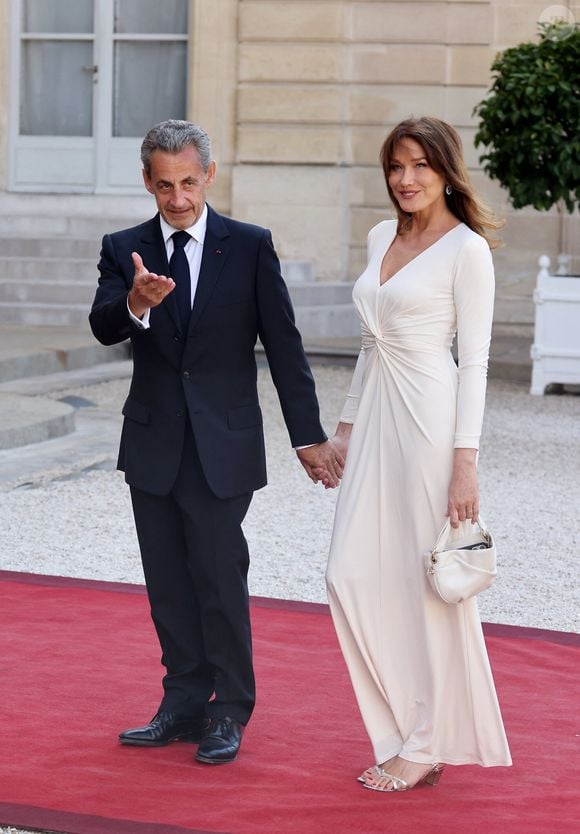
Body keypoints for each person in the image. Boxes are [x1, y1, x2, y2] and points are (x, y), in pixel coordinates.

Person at [89, 120, 342, 765]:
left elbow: (284, 347)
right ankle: (181, 702)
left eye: (188, 183)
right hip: (152, 447)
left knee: (218, 577)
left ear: (210, 174)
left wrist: (307, 436)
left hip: (223, 447)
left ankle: (228, 709)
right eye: (164, 185)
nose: (177, 199)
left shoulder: (250, 246)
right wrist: (137, 306)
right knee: (167, 581)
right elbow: (101, 325)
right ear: (147, 181)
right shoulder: (125, 248)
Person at [324, 117, 512, 792]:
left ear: (445, 170)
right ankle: (406, 723)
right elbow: (371, 343)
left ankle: (426, 741)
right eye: (397, 167)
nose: (406, 179)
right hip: (375, 419)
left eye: (420, 166)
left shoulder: (468, 250)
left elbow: (477, 361)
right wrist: (344, 427)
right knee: (347, 572)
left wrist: (467, 460)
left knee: (430, 583)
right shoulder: (381, 237)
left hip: (431, 420)